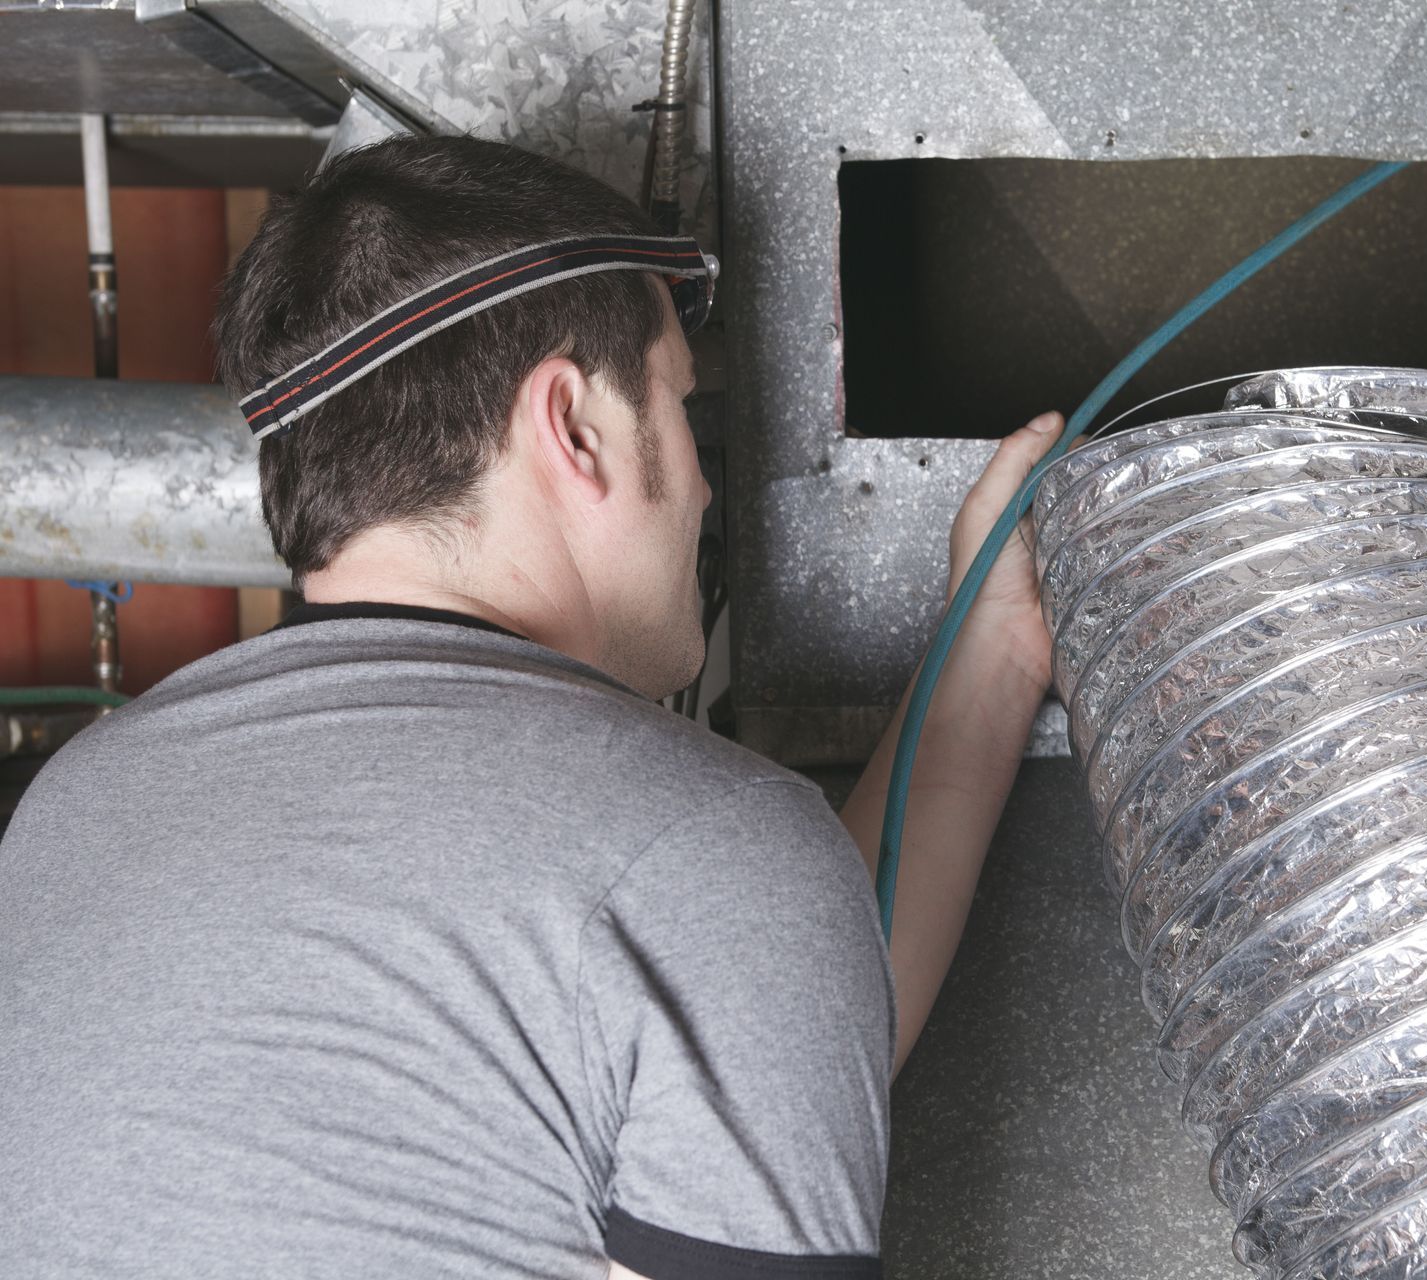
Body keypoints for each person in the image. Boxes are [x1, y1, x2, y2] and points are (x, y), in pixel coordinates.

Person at [0, 135, 1063, 1280]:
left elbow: (741, 1038)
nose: (704, 484)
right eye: (679, 407)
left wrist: (993, 647)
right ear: (571, 425)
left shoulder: (69, 817)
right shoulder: (701, 858)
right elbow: (695, 956)